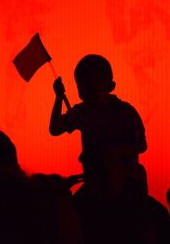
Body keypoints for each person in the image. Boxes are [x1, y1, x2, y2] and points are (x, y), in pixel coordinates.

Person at [49, 54, 147, 197]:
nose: (86, 91)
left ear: (110, 86)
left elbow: (141, 145)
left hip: (125, 186)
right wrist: (58, 98)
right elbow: (55, 129)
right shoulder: (82, 111)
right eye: (81, 86)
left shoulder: (126, 112)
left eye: (92, 85)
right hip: (93, 183)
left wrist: (115, 153)